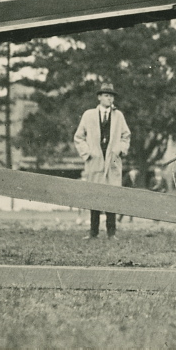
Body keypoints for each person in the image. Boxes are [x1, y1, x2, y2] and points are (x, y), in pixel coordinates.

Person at [73, 83, 130, 239]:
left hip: (112, 162)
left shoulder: (118, 116)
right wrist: (88, 153)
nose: (109, 98)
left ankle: (111, 233)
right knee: (94, 196)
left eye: (111, 96)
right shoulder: (89, 115)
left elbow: (126, 136)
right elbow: (79, 137)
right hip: (95, 161)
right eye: (106, 95)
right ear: (99, 97)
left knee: (111, 197)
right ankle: (93, 232)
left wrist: (120, 150)